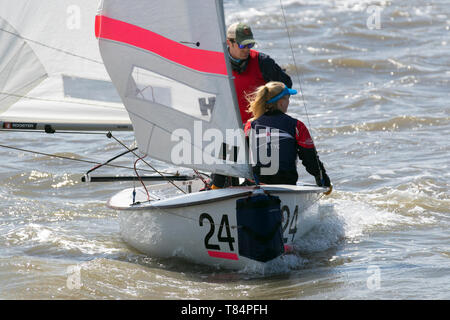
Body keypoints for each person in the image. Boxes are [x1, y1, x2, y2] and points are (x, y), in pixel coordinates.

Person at [210, 22, 292, 189]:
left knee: (261, 177)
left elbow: (286, 87)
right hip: (229, 129)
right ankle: (216, 189)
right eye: (242, 45)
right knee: (221, 176)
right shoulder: (216, 64)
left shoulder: (263, 62)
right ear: (229, 43)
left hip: (259, 128)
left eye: (250, 44)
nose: (247, 49)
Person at [244, 81, 331, 190]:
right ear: (281, 102)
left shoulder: (250, 125)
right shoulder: (297, 126)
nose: (289, 102)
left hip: (255, 186)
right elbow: (310, 159)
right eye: (288, 98)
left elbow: (237, 155)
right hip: (286, 186)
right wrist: (323, 179)